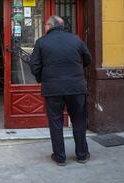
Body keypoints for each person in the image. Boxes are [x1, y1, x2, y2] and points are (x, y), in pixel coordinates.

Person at [29, 15, 92, 166]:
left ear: (50, 26)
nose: (44, 27)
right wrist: (76, 71)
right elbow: (88, 58)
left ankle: (60, 157)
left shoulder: (41, 42)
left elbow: (34, 66)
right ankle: (82, 155)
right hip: (76, 87)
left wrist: (42, 78)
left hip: (53, 89)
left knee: (56, 123)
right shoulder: (76, 39)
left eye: (45, 25)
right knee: (79, 121)